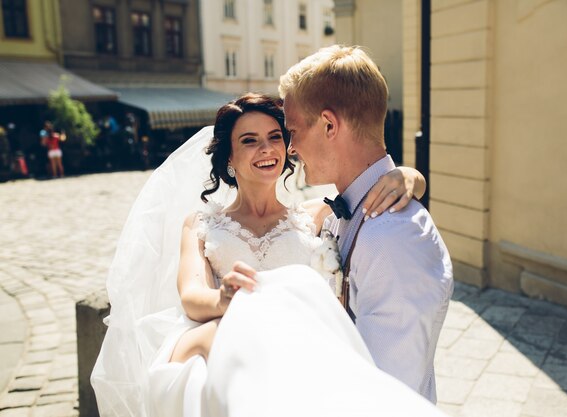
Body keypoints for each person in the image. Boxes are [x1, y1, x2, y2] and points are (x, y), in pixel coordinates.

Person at [91, 93, 446, 417]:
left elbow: (372, 188)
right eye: (249, 141)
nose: (266, 149)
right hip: (226, 350)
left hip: (300, 362)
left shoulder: (311, 215)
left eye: (275, 137)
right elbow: (192, 297)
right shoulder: (200, 225)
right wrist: (225, 298)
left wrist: (410, 177)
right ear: (229, 157)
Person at [234, 46, 454, 403]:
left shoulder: (394, 240)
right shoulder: (342, 210)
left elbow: (386, 397)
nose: (290, 149)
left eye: (293, 131)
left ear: (329, 125)